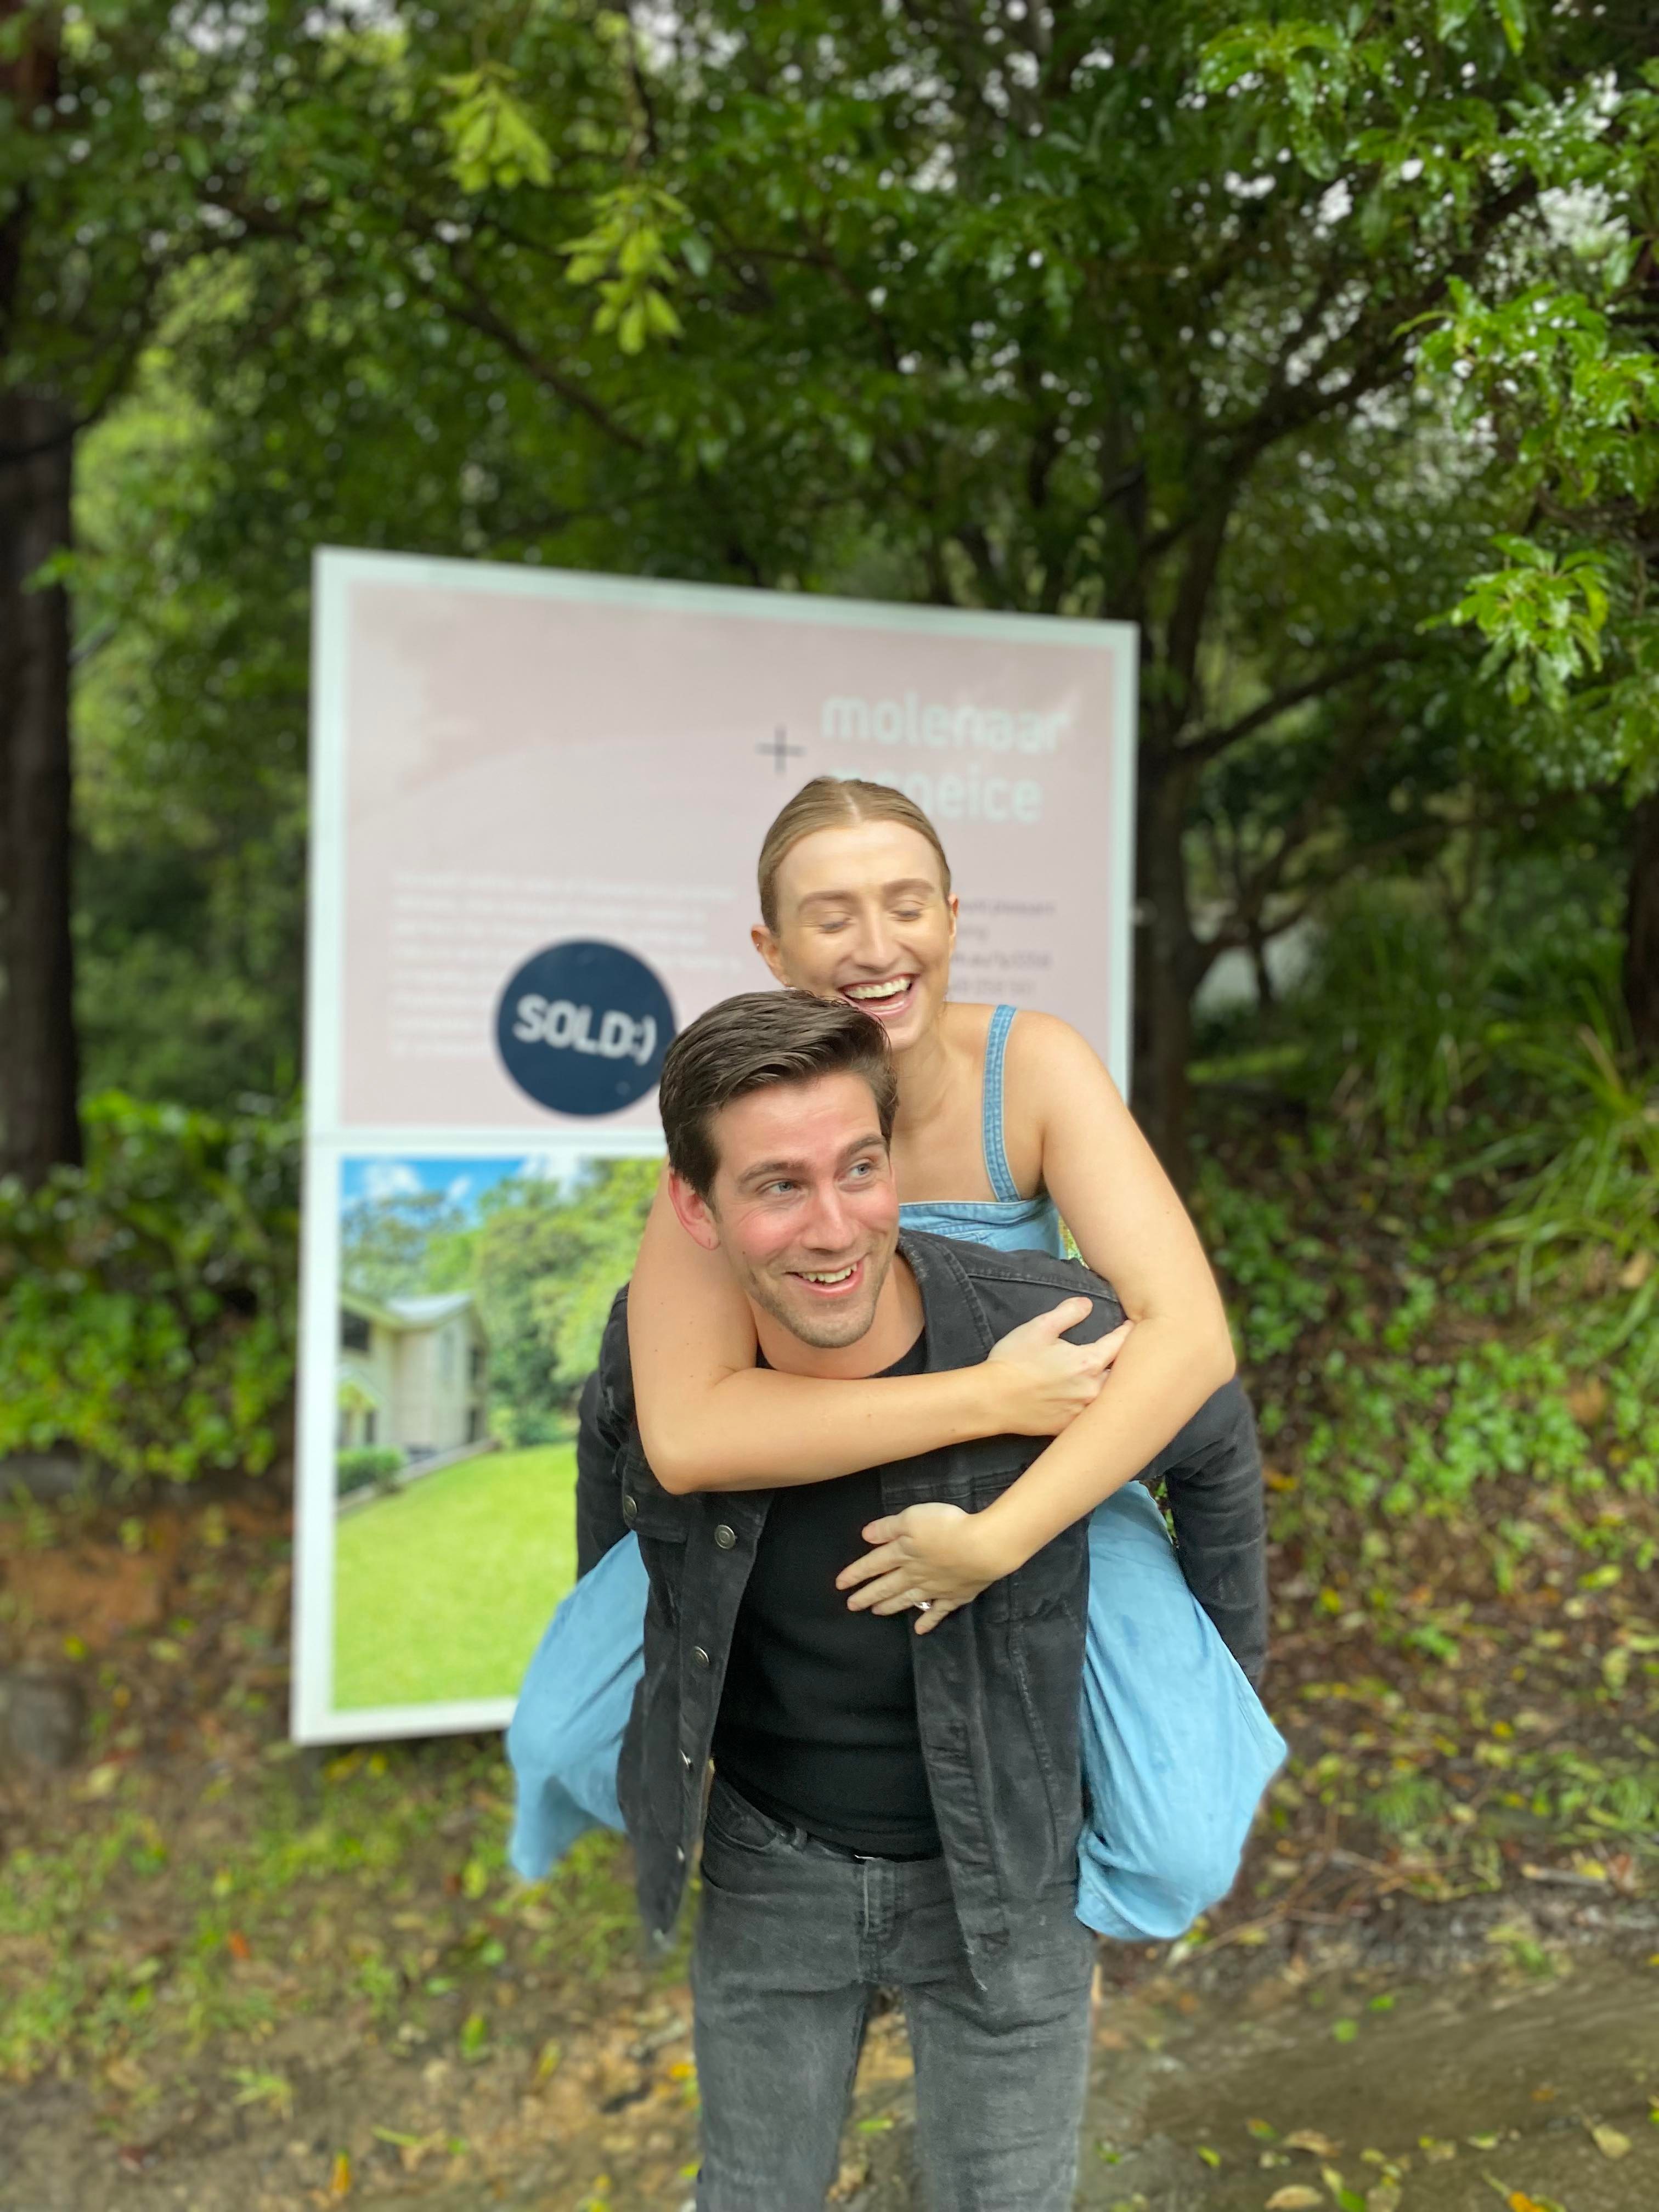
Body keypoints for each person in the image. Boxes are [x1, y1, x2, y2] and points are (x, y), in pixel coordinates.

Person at [510, 777, 1282, 1939]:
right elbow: (685, 1433)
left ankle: (1017, 1920)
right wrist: (978, 1393)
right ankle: (798, 1842)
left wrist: (998, 1538)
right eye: (833, 917)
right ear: (771, 947)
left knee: (1182, 1843)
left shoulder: (1031, 1069)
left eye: (907, 905)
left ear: (955, 919)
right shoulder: (735, 1104)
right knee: (559, 1738)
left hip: (1032, 1475)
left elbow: (1190, 1341)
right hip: (811, 1473)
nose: (878, 947)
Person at [606, 988, 1203, 2208]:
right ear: (697, 1208)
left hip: (1006, 1868)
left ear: (899, 1163)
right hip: (774, 1859)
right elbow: (630, 1486)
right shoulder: (679, 1361)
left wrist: (1195, 1728)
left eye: (860, 1171)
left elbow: (1219, 1456)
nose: (833, 1227)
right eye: (777, 1185)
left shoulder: (1047, 1330)